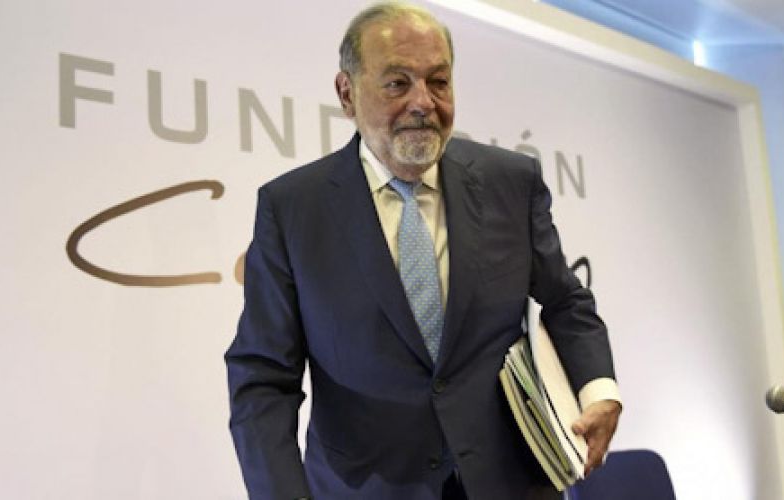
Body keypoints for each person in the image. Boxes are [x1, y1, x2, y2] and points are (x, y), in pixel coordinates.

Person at [225, 3, 621, 499]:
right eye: (397, 83)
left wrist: (599, 389)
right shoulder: (291, 209)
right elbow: (263, 377)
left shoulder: (511, 182)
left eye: (438, 82)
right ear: (347, 94)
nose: (422, 102)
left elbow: (565, 301)